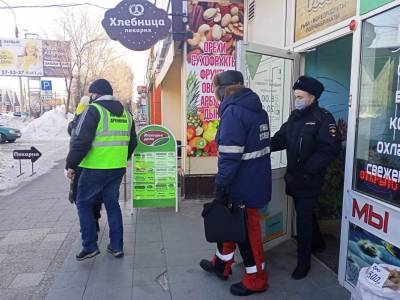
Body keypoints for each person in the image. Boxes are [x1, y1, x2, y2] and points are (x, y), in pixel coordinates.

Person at [200, 70, 272, 296]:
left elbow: (230, 156)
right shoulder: (258, 110)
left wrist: (221, 186)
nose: (215, 94)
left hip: (242, 186)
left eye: (215, 90)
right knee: (228, 224)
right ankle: (222, 265)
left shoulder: (233, 113)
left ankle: (257, 279)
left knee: (248, 235)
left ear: (224, 90)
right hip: (255, 180)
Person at [271, 76, 342, 280]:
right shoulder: (295, 117)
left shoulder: (322, 118)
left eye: (300, 96)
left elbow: (330, 149)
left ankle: (303, 263)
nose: (297, 100)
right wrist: (263, 147)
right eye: (295, 96)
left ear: (312, 97)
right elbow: (280, 138)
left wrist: (309, 170)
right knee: (305, 212)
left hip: (309, 179)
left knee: (302, 218)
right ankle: (318, 243)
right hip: (294, 177)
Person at [65, 79, 137, 261]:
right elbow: (133, 142)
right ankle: (116, 246)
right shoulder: (127, 114)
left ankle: (89, 246)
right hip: (117, 168)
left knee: (83, 203)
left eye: (91, 94)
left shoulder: (93, 110)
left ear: (95, 94)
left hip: (94, 168)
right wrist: (121, 158)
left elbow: (80, 140)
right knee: (112, 204)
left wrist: (71, 165)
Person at [67, 95, 102, 232]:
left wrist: (70, 164)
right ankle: (94, 220)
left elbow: (76, 136)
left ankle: (88, 227)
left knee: (80, 198)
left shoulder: (88, 111)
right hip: (92, 163)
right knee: (95, 196)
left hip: (82, 163)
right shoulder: (97, 111)